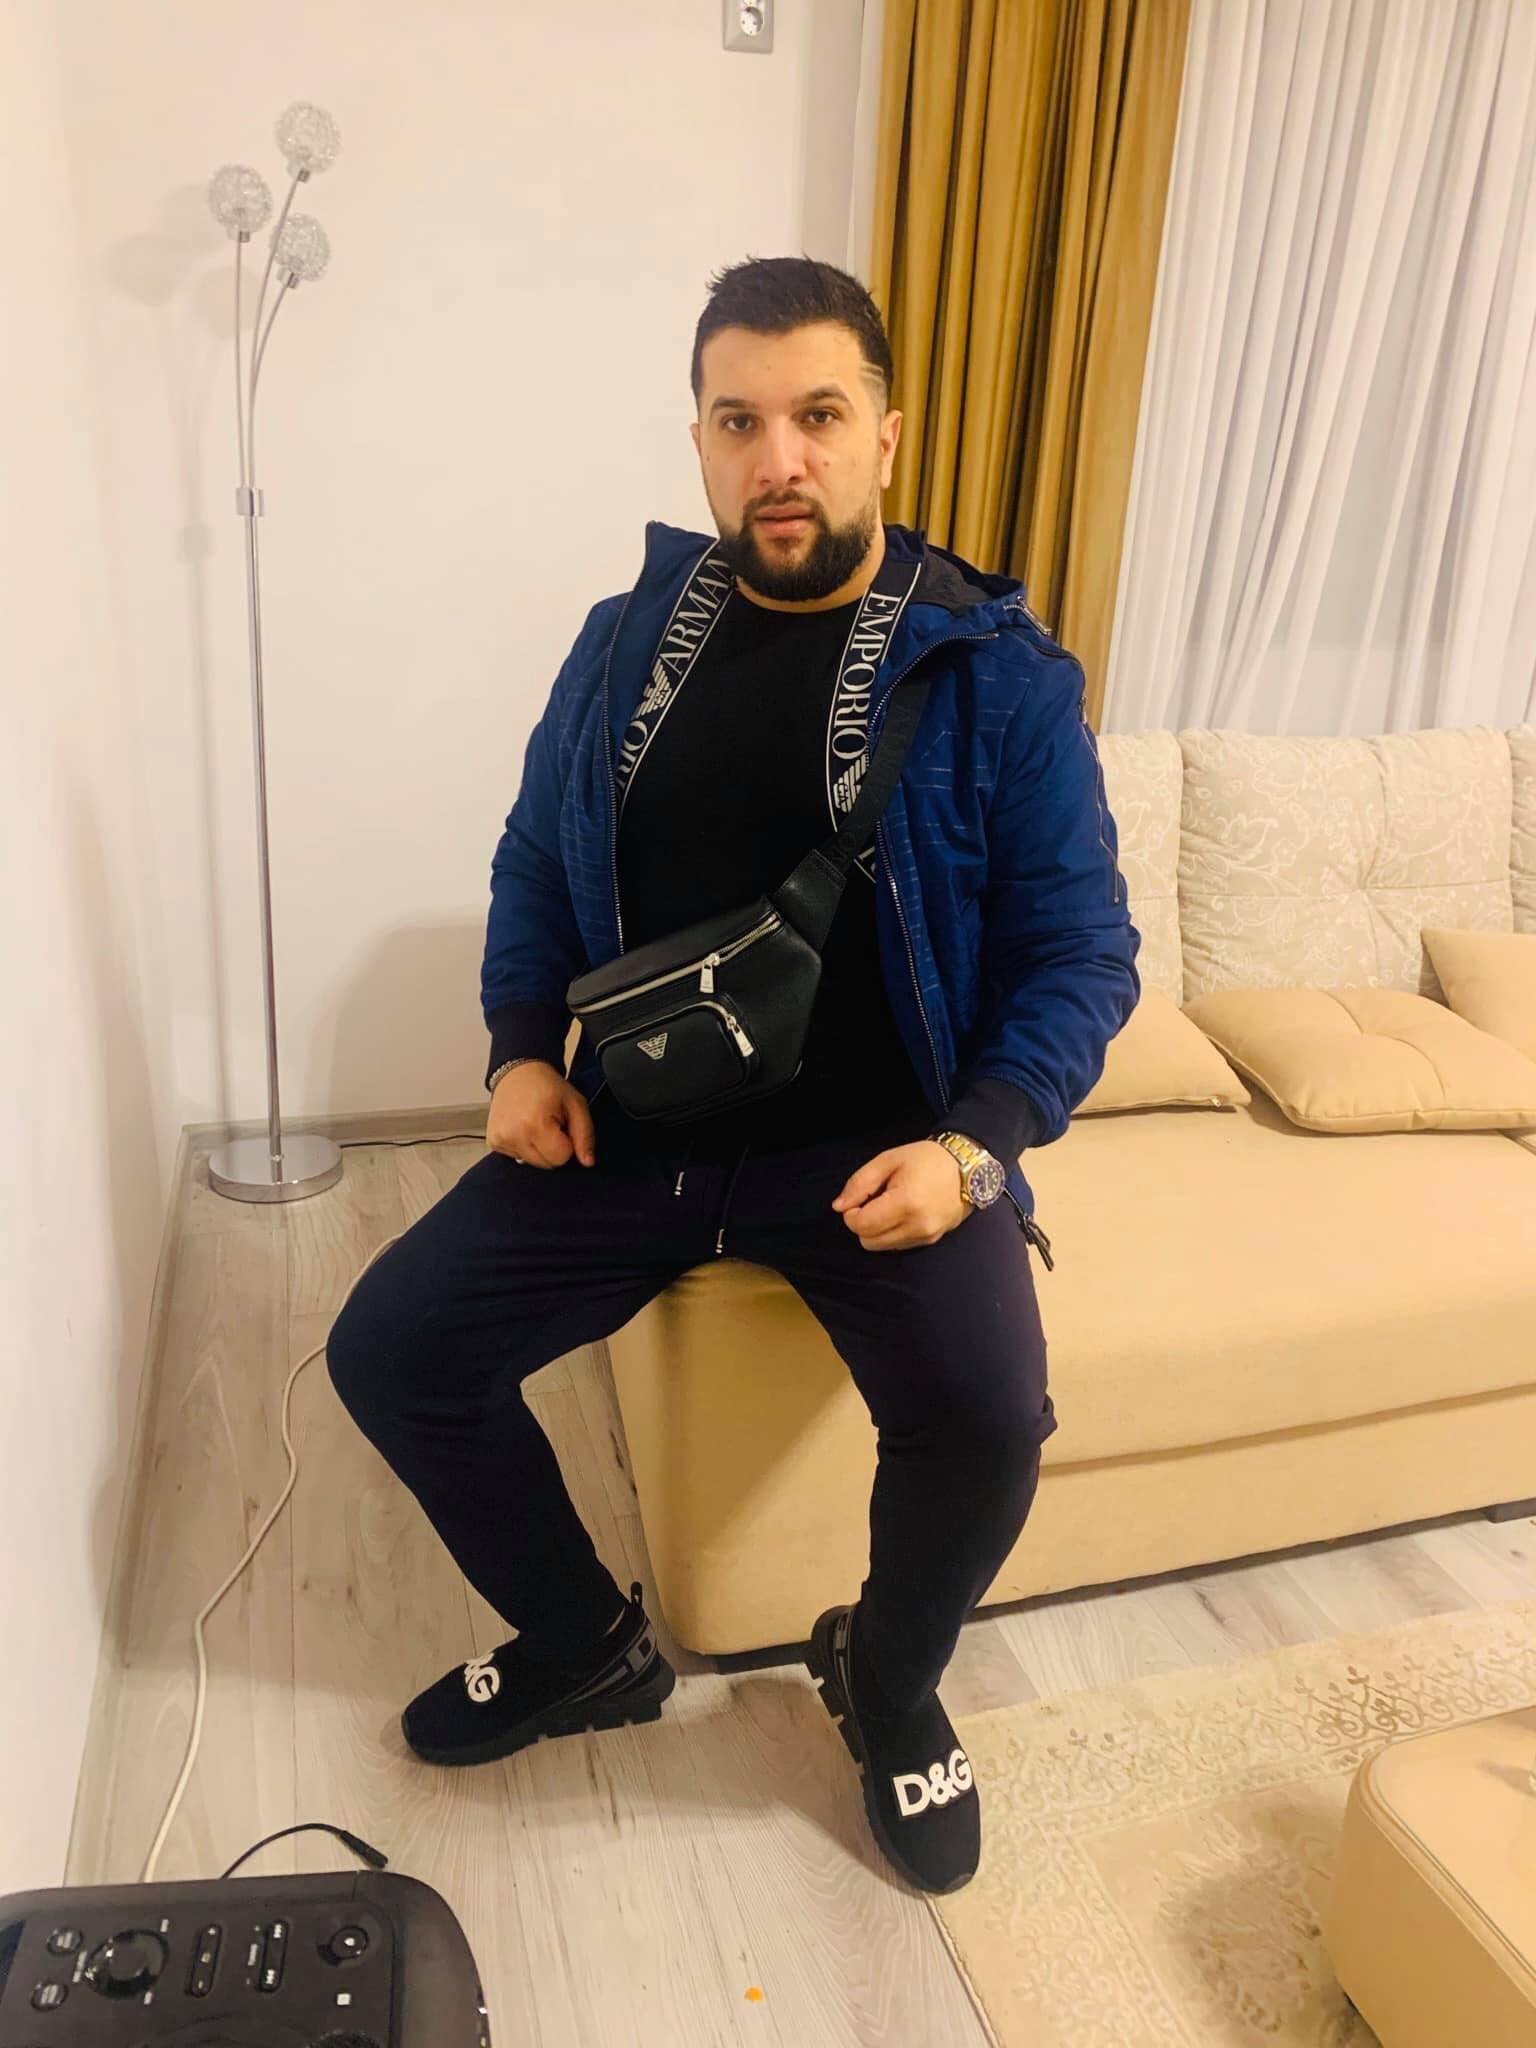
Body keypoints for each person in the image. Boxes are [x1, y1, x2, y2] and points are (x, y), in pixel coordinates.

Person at [326, 255, 1141, 1896]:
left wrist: (976, 1150)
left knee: (989, 1419)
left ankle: (884, 1677)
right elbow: (535, 864)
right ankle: (584, 1644)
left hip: (876, 1155)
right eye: (740, 421)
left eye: (819, 416)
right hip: (635, 1132)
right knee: (391, 1350)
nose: (782, 458)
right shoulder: (626, 643)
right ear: (698, 441)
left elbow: (1083, 955)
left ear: (885, 436)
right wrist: (518, 1051)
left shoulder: (996, 675)